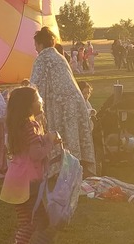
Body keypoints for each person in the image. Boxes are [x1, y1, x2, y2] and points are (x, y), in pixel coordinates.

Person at [0, 85, 63, 244]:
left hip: (17, 180)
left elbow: (31, 146)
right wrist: (50, 140)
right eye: (37, 99)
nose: (41, 101)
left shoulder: (21, 124)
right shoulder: (29, 125)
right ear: (28, 106)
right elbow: (36, 154)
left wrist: (44, 137)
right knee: (39, 223)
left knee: (32, 222)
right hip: (27, 182)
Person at [30, 26, 96, 176]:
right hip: (74, 102)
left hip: (59, 106)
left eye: (35, 44)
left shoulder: (42, 58)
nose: (35, 48)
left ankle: (59, 169)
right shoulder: (59, 57)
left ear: (40, 44)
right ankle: (76, 167)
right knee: (72, 136)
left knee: (58, 136)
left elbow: (35, 85)